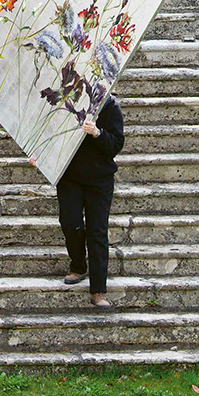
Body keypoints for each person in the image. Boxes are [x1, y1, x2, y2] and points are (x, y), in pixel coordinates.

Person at [55, 95, 124, 309]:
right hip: (69, 176)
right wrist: (39, 155)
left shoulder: (110, 105)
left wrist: (97, 133)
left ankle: (98, 290)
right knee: (70, 223)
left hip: (100, 179)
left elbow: (116, 144)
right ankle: (78, 265)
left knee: (97, 231)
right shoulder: (66, 100)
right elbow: (49, 134)